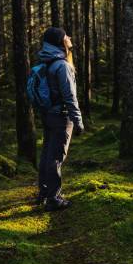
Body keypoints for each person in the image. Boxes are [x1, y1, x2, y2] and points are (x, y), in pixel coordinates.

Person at [37, 27, 85, 211]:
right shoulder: (62, 65)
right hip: (61, 117)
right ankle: (54, 199)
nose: (69, 37)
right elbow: (70, 97)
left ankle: (44, 192)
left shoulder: (46, 62)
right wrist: (78, 121)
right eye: (66, 36)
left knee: (47, 154)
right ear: (60, 41)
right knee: (56, 157)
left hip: (48, 115)